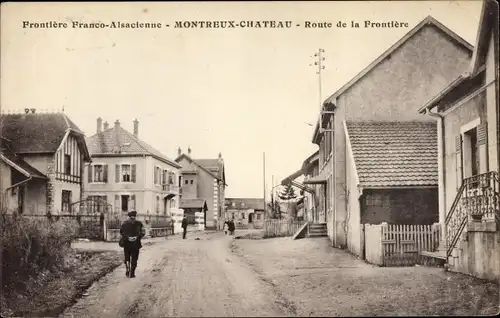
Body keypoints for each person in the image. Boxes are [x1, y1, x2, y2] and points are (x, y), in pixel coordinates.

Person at [120, 211, 145, 278]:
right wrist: (137, 237)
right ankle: (132, 273)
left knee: (127, 257)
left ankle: (128, 270)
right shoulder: (139, 223)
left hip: (127, 244)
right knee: (134, 258)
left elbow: (121, 232)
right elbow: (143, 232)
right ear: (135, 216)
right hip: (136, 244)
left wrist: (128, 237)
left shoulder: (124, 223)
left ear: (129, 216)